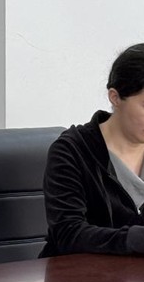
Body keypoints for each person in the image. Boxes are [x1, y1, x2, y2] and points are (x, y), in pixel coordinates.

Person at [40, 43, 144, 257]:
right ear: (115, 97)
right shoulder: (71, 151)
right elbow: (68, 233)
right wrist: (135, 239)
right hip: (79, 274)